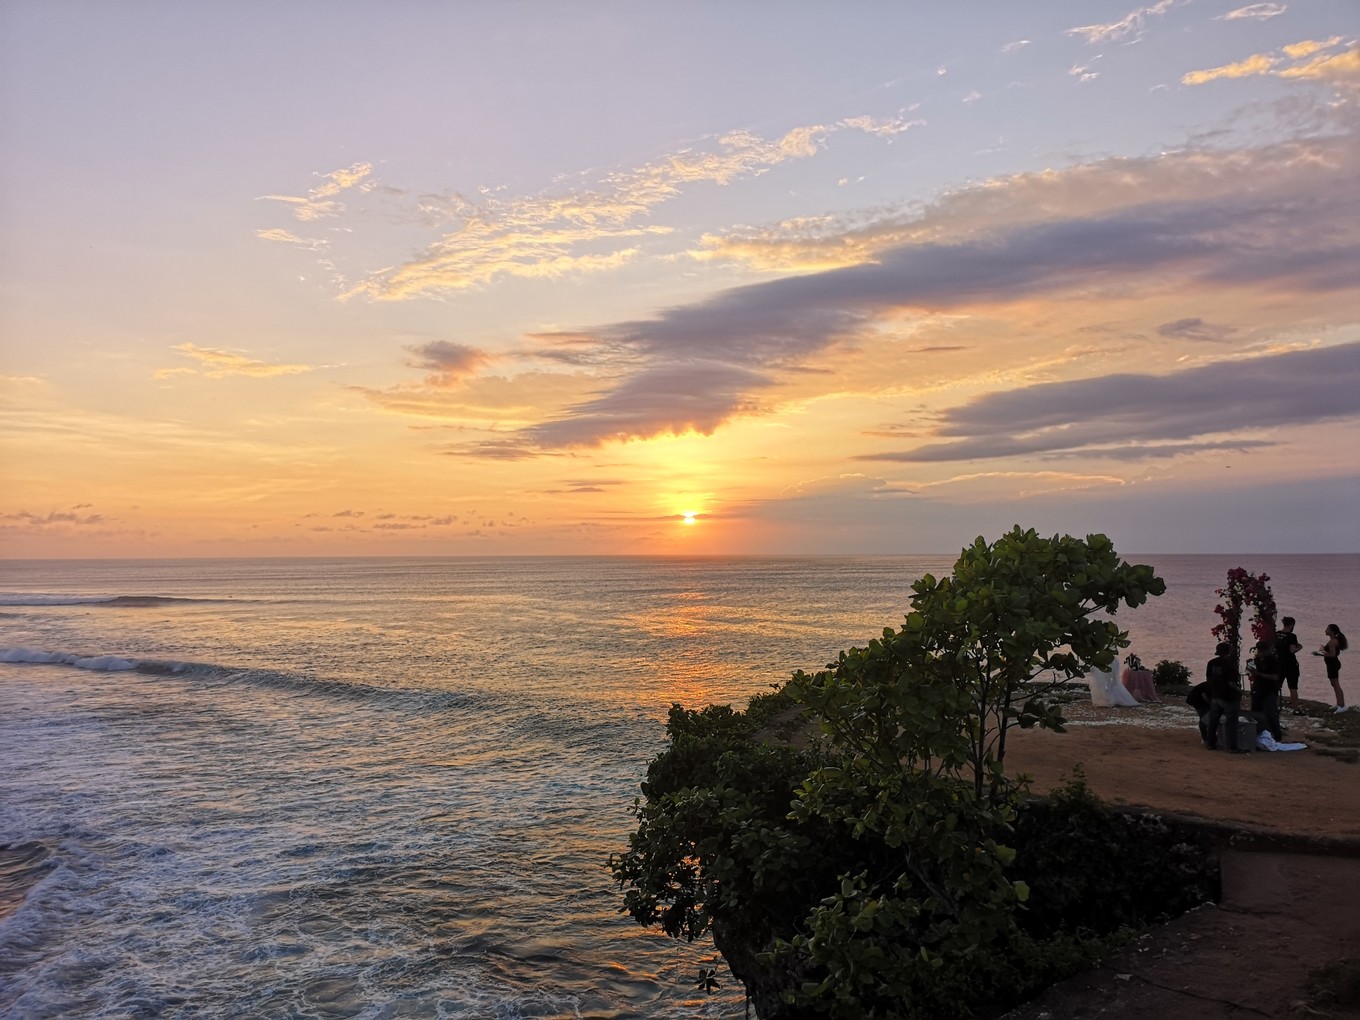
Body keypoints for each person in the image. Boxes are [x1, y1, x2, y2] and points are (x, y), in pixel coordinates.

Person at [1205, 640, 1247, 752]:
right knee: (1231, 722)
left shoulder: (1211, 663)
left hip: (1215, 695)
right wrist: (1239, 690)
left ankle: (1210, 743)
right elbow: (1231, 683)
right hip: (1227, 696)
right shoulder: (1230, 665)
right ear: (1228, 652)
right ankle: (1231, 746)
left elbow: (1209, 679)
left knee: (1213, 721)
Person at [1247, 638, 1282, 741]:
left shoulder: (1273, 660)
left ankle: (1276, 736)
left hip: (1269, 689)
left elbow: (1275, 677)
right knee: (1255, 712)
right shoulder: (1257, 660)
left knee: (1271, 713)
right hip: (1258, 688)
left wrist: (1259, 674)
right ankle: (1257, 734)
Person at [1317, 623, 1349, 712]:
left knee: (1336, 684)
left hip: (1333, 664)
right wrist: (1324, 649)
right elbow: (1331, 651)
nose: (1325, 630)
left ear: (1332, 631)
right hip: (1332, 664)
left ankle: (1342, 706)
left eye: (1327, 629)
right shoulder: (1333, 640)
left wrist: (1320, 654)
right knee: (1334, 684)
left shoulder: (1332, 641)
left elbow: (1332, 654)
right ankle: (1339, 703)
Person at [1276, 616, 1303, 715]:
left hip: (1279, 663)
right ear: (1292, 625)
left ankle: (1275, 707)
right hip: (1290, 664)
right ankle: (1295, 708)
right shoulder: (1292, 636)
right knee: (1293, 687)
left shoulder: (1277, 634)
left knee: (1277, 686)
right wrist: (1299, 647)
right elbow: (1292, 650)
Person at [1187, 679, 1212, 745]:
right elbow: (1205, 697)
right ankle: (1205, 738)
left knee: (1206, 715)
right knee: (1204, 717)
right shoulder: (1210, 686)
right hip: (1196, 700)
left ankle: (1207, 737)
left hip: (1199, 699)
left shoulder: (1212, 684)